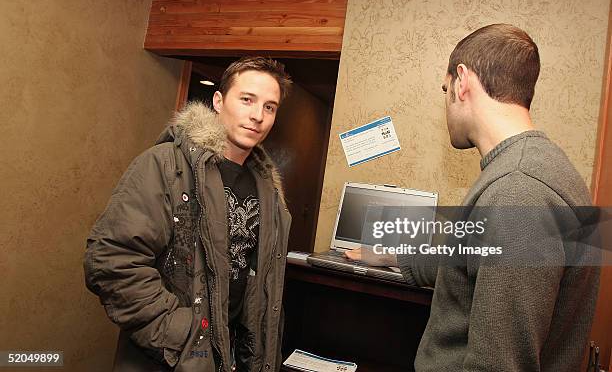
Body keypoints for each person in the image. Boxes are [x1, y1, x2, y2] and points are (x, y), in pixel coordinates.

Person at [347, 24, 600, 371]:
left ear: (462, 81)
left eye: (444, 88)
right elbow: (476, 261)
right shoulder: (535, 170)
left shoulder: (518, 190)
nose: (445, 101)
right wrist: (395, 255)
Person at [84, 57, 293, 372]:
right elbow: (112, 259)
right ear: (219, 101)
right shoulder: (166, 164)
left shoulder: (270, 192)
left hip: (235, 356)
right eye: (247, 100)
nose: (257, 116)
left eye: (269, 107)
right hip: (172, 358)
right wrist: (185, 337)